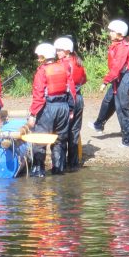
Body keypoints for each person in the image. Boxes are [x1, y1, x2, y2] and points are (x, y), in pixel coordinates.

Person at [27, 43, 76, 176]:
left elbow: (39, 95)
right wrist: (71, 109)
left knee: (40, 139)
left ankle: (38, 171)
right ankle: (58, 170)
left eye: (39, 56)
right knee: (60, 140)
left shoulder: (42, 71)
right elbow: (71, 91)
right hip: (63, 108)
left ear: (44, 57)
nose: (38, 59)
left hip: (47, 108)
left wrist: (33, 114)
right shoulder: (63, 68)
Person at [92, 19, 129, 147]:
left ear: (119, 33)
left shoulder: (123, 46)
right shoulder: (120, 43)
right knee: (109, 100)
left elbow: (117, 66)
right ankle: (99, 125)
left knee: (123, 109)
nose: (110, 33)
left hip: (126, 78)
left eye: (112, 31)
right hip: (120, 77)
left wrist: (105, 82)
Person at [55, 36, 88, 169]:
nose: (57, 52)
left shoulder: (62, 64)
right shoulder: (78, 61)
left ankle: (61, 164)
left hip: (67, 99)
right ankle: (73, 164)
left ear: (67, 51)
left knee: (62, 131)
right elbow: (84, 79)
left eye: (60, 50)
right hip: (78, 99)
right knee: (74, 130)